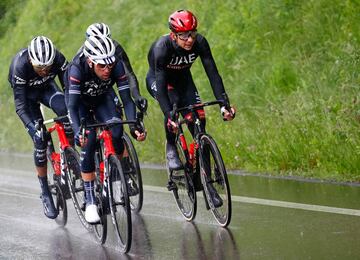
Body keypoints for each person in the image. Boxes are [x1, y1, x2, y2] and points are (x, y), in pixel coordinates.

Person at [146, 10, 236, 208]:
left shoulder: (200, 43)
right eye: (184, 36)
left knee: (199, 124)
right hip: (159, 82)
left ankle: (206, 184)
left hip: (184, 81)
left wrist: (224, 104)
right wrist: (169, 115)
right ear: (173, 35)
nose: (189, 40)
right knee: (173, 106)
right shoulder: (162, 48)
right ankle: (171, 146)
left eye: (192, 33)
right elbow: (161, 88)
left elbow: (213, 73)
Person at [66, 35, 146, 223]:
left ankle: (117, 182)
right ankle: (91, 200)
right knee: (89, 141)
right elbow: (72, 107)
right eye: (102, 66)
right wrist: (78, 132)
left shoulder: (115, 65)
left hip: (103, 99)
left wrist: (134, 126)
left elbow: (126, 99)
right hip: (81, 104)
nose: (107, 70)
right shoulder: (77, 69)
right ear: (90, 61)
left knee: (117, 131)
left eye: (110, 65)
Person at [8, 36, 72, 219]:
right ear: (30, 61)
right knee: (40, 139)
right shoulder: (19, 67)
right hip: (27, 99)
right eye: (39, 68)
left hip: (47, 90)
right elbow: (20, 107)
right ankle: (45, 190)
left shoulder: (57, 58)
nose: (44, 71)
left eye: (47, 67)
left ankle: (71, 156)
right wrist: (32, 126)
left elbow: (69, 89)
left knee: (66, 111)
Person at [84, 22, 148, 113]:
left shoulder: (115, 47)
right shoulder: (83, 55)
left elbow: (129, 74)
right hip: (90, 87)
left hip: (108, 83)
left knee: (117, 111)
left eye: (106, 39)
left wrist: (137, 96)